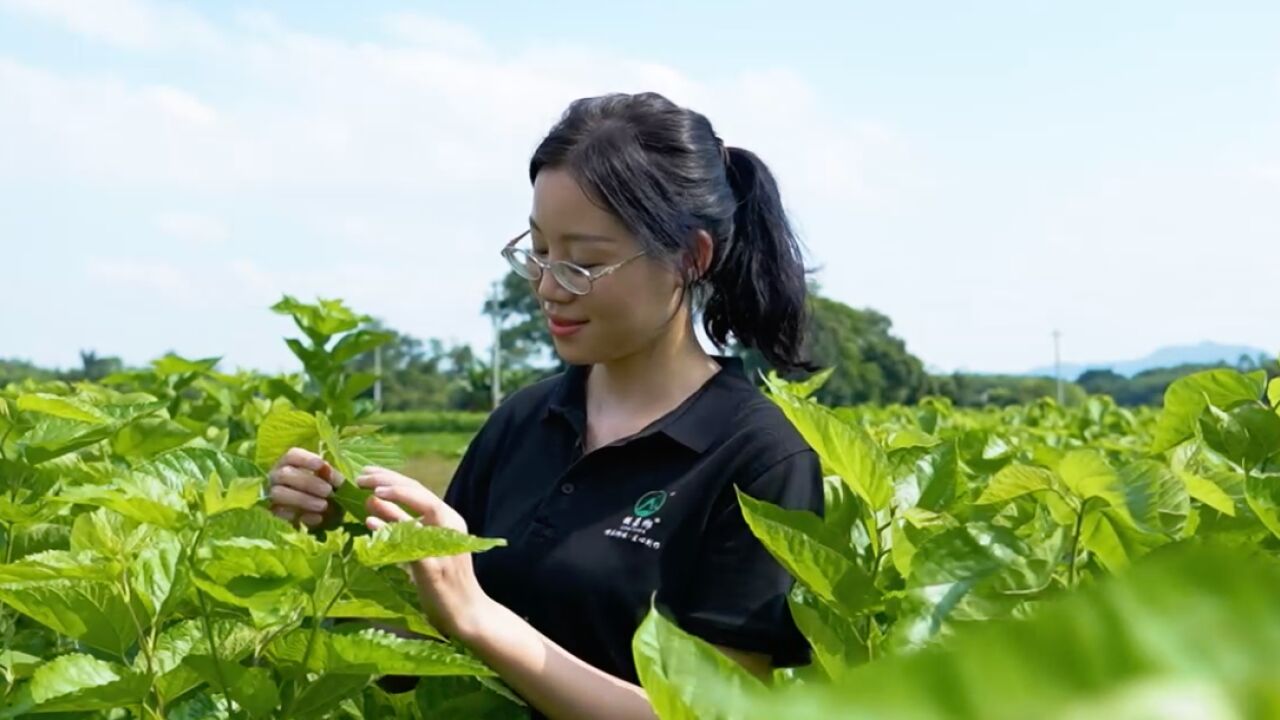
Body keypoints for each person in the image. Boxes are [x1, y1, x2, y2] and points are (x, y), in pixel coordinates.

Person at [268, 91, 825, 719]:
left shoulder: (758, 458)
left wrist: (481, 619)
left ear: (690, 257)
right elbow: (425, 640)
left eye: (585, 263)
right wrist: (343, 533)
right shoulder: (526, 420)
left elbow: (718, 714)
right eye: (539, 252)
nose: (548, 287)